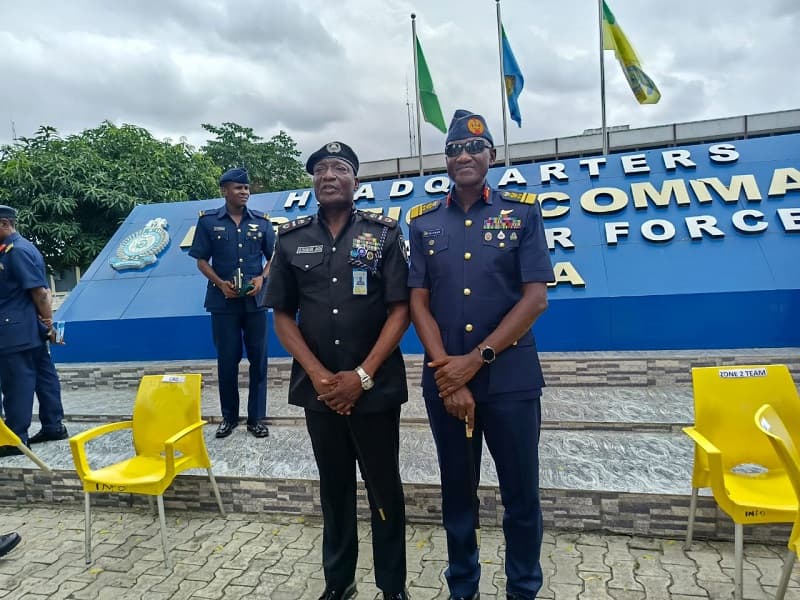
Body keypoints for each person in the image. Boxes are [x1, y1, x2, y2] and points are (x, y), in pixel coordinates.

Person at [408, 110, 555, 600]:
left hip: (510, 381)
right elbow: (418, 302)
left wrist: (475, 360)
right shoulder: (424, 223)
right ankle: (463, 588)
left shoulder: (523, 212)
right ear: (446, 162)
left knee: (521, 497)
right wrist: (450, 375)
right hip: (446, 383)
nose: (464, 156)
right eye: (453, 151)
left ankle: (523, 590)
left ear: (492, 155)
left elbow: (535, 298)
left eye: (474, 148)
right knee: (457, 495)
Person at [265, 142, 410, 600]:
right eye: (320, 169)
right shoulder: (289, 239)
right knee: (335, 491)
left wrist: (361, 376)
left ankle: (392, 587)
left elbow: (400, 310)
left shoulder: (383, 234)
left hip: (376, 389)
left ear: (356, 182)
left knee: (385, 490)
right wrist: (321, 377)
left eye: (340, 168)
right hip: (320, 393)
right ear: (312, 181)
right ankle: (339, 584)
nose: (329, 174)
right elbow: (283, 316)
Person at [189, 168, 275, 439]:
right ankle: (229, 418)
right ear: (224, 191)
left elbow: (275, 257)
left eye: (247, 188)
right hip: (222, 303)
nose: (244, 192)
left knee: (258, 361)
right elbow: (201, 260)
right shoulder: (208, 222)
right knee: (227, 361)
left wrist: (262, 278)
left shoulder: (261, 223)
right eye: (238, 188)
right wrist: (219, 282)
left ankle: (256, 419)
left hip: (255, 303)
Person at [0, 205, 68, 458]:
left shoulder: (16, 251)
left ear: (5, 224)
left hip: (15, 332)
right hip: (27, 329)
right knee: (43, 376)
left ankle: (16, 439)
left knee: (16, 383)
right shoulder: (15, 249)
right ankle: (53, 426)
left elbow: (40, 292)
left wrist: (49, 323)